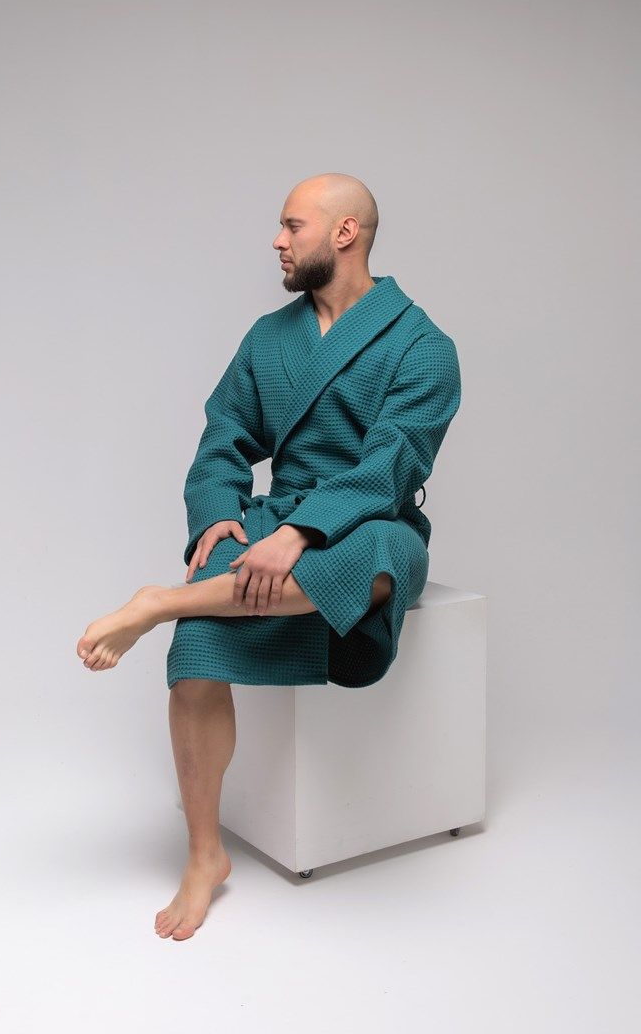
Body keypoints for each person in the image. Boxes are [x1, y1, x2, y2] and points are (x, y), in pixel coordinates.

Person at [76, 172, 462, 940]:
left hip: (373, 520)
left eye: (292, 226)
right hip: (278, 517)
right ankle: (204, 853)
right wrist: (220, 513)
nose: (277, 241)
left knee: (364, 561)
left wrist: (302, 532)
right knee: (195, 650)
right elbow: (224, 437)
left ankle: (160, 602)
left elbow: (390, 465)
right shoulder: (269, 338)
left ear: (344, 233)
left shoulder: (424, 345)